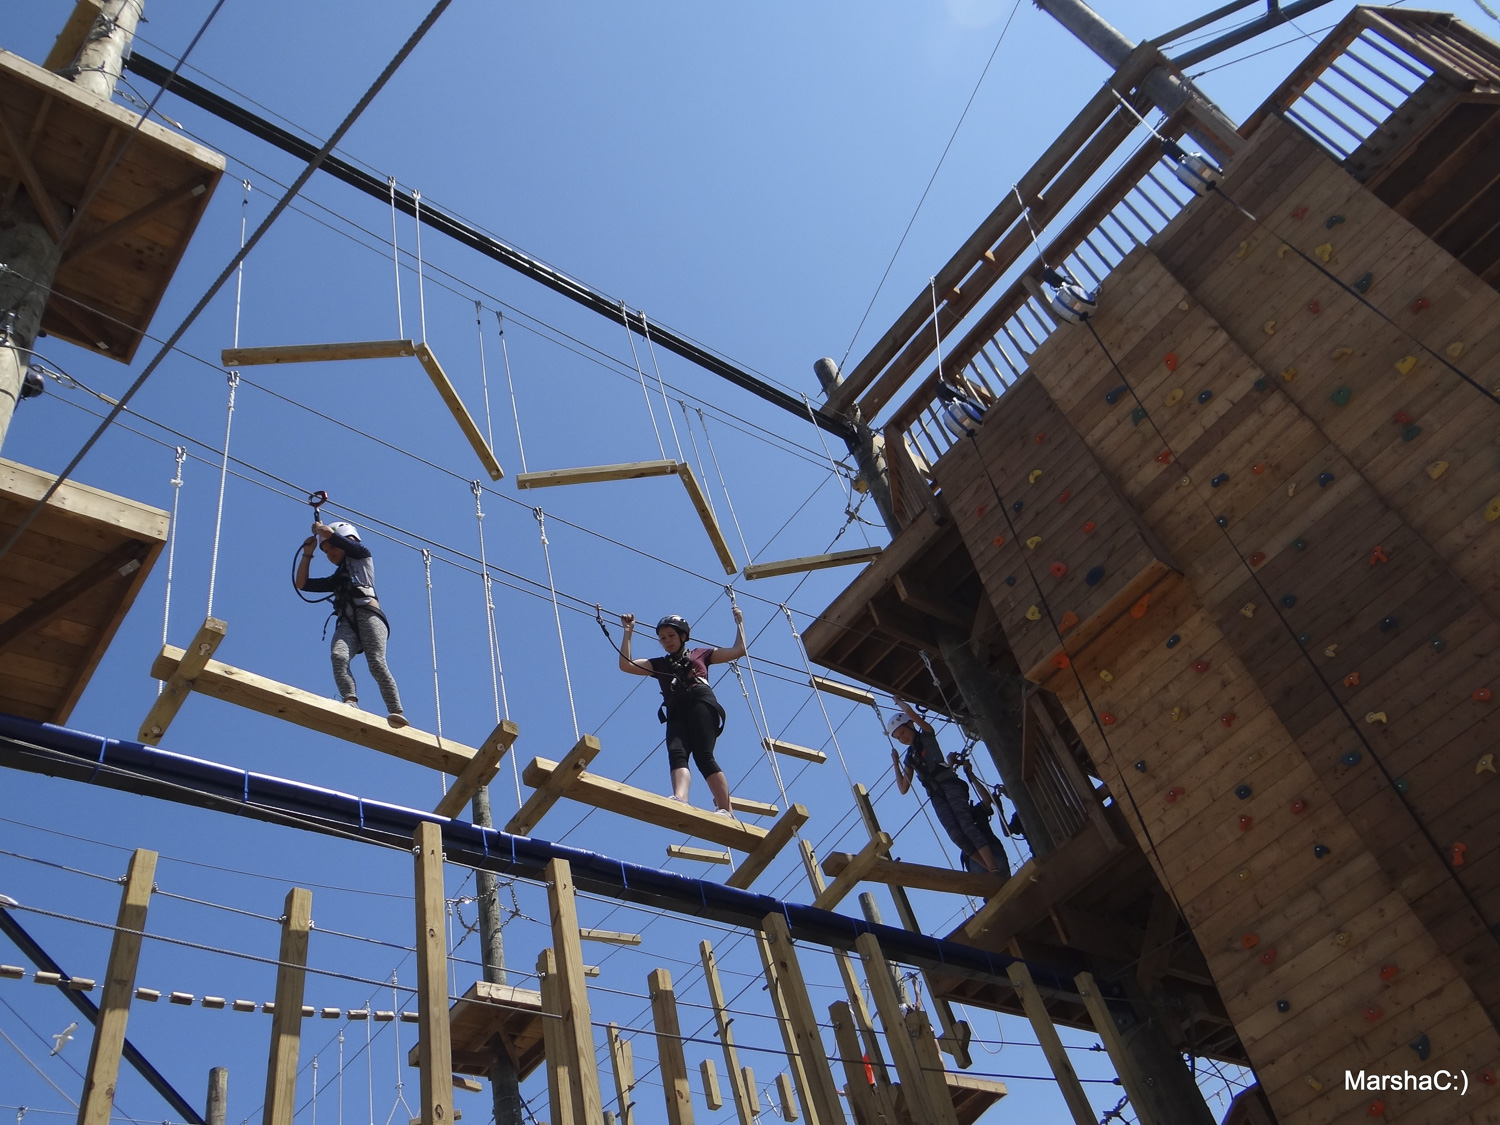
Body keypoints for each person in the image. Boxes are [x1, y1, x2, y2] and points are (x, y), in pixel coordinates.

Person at [617, 608, 746, 815]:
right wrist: (628, 632)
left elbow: (738, 650)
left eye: (671, 636)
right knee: (677, 753)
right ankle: (680, 798)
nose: (667, 641)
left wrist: (740, 623)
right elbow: (626, 665)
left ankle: (725, 809)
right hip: (676, 708)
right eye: (662, 638)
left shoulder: (700, 654)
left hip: (700, 700)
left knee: (703, 756)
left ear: (682, 636)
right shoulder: (659, 664)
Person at [294, 520, 406, 729]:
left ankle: (396, 711)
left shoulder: (362, 556)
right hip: (346, 622)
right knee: (338, 656)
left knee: (376, 662)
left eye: (332, 548)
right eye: (326, 552)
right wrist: (307, 554)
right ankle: (350, 700)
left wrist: (322, 530)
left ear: (347, 540)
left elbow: (334, 536)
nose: (330, 554)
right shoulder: (338, 578)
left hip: (369, 615)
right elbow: (302, 584)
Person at [887, 697, 1003, 876]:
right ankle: (989, 870)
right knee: (956, 835)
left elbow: (911, 714)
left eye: (902, 732)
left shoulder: (926, 735)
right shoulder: (909, 758)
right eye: (898, 738)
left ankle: (993, 868)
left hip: (950, 785)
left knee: (967, 825)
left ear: (910, 725)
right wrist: (895, 763)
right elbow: (903, 788)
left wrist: (899, 702)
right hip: (936, 795)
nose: (902, 738)